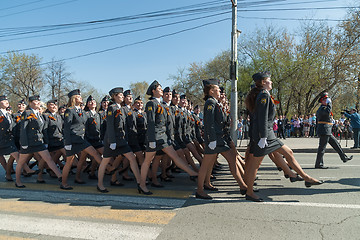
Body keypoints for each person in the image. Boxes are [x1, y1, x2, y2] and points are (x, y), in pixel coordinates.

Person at [244, 72, 323, 202]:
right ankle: (249, 192)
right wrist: (263, 137)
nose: (271, 82)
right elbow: (262, 118)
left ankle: (306, 178)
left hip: (267, 135)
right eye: (269, 80)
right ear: (263, 82)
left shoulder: (263, 94)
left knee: (289, 153)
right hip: (265, 136)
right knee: (254, 166)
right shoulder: (263, 95)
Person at [138, 80, 198, 195]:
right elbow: (150, 122)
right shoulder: (151, 103)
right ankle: (142, 185)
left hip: (163, 137)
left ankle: (192, 173)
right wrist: (151, 140)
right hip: (155, 137)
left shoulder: (161, 104)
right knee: (147, 161)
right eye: (159, 89)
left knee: (175, 156)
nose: (161, 90)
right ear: (153, 91)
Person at [195, 79, 248, 200]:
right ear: (212, 91)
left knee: (232, 160)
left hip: (220, 139)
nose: (220, 91)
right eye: (218, 89)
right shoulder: (210, 103)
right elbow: (209, 124)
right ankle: (199, 190)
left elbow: (220, 123)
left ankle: (243, 186)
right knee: (205, 165)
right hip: (214, 140)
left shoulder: (215, 102)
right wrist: (212, 140)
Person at [96, 87, 141, 193]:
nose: (122, 97)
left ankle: (140, 183)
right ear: (114, 96)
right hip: (112, 140)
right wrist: (112, 142)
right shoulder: (112, 108)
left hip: (122, 140)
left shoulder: (121, 108)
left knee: (132, 158)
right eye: (120, 95)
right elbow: (110, 126)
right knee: (105, 162)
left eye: (122, 95)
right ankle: (100, 184)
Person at [15, 95, 62, 188]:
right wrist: (24, 144)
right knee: (20, 162)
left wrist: (45, 141)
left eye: (39, 101)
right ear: (30, 103)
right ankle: (17, 181)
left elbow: (43, 129)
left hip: (39, 142)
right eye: (36, 101)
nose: (38, 102)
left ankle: (60, 176)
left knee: (48, 159)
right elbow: (23, 129)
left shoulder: (39, 114)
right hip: (29, 143)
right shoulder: (27, 113)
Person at [61, 89, 104, 190]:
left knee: (94, 153)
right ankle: (63, 183)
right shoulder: (69, 110)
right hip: (73, 139)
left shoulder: (81, 111)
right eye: (79, 97)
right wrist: (67, 143)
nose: (81, 98)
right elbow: (66, 127)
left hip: (81, 139)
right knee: (69, 162)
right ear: (74, 99)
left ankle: (107, 168)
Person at [315, 92, 353, 169]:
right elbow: (328, 112)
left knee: (336, 145)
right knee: (322, 148)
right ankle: (318, 164)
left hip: (327, 130)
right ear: (322, 101)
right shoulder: (322, 108)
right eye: (326, 99)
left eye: (327, 99)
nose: (327, 100)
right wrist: (330, 103)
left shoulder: (324, 108)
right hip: (324, 130)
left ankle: (344, 158)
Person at [0, 95, 21, 182]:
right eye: (3, 100)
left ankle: (8, 174)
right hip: (2, 139)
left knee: (14, 155)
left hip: (9, 139)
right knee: (16, 155)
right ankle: (25, 171)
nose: (6, 101)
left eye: (7, 100)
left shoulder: (8, 114)